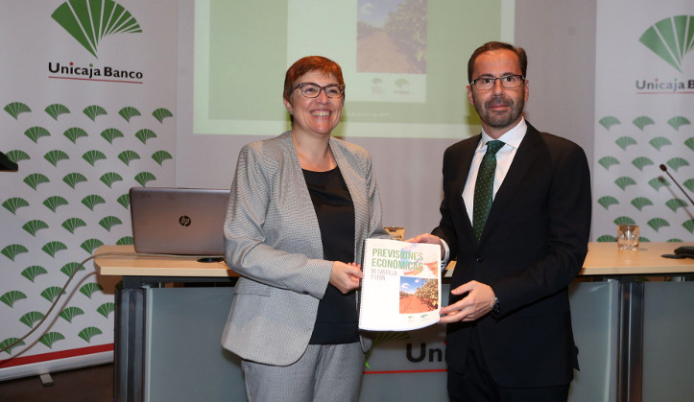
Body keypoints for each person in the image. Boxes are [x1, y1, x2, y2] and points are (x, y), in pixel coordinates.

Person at [410, 41, 591, 402]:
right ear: (470, 93)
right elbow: (455, 226)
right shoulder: (456, 156)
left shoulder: (563, 157)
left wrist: (496, 296)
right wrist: (440, 244)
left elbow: (567, 256)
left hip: (532, 355)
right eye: (485, 80)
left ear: (526, 88)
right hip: (465, 352)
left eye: (509, 78)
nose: (497, 90)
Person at [221, 56, 389, 402]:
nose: (323, 100)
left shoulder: (358, 159)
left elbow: (373, 238)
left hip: (347, 334)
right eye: (309, 89)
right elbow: (241, 248)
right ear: (288, 101)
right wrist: (324, 273)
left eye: (333, 90)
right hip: (277, 333)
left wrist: (413, 258)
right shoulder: (261, 157)